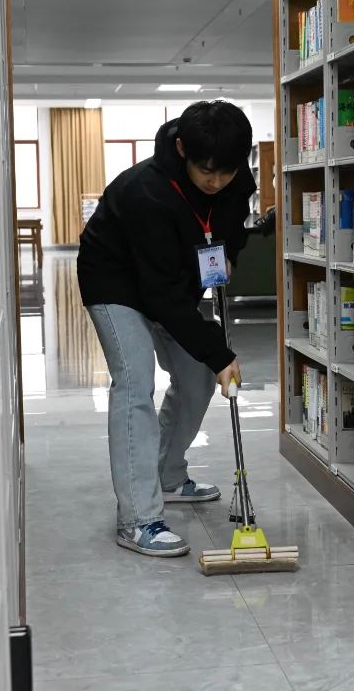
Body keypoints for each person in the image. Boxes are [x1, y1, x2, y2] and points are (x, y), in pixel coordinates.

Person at [77, 100, 257, 558]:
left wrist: (229, 254)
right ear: (182, 150)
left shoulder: (235, 177)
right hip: (116, 280)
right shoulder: (146, 192)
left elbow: (232, 223)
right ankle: (137, 519)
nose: (216, 182)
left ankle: (168, 474)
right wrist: (219, 353)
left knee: (197, 378)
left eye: (226, 172)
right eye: (206, 171)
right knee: (135, 381)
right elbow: (160, 297)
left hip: (172, 278)